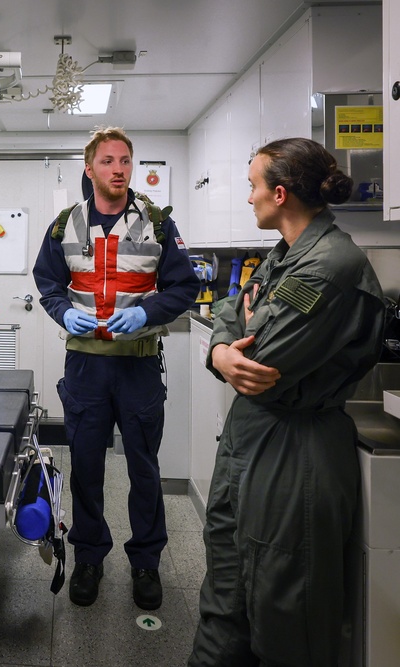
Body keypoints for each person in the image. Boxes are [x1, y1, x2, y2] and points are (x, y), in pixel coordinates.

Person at [188, 138, 385, 666]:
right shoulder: (285, 256)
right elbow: (232, 307)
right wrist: (224, 346)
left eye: (253, 186)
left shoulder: (330, 265)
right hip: (251, 443)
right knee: (225, 593)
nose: (248, 198)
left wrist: (233, 342)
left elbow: (266, 360)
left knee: (283, 609)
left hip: (294, 453)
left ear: (279, 193)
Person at [33, 126, 198, 610]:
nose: (119, 169)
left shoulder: (158, 224)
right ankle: (89, 556)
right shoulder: (65, 225)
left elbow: (183, 288)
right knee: (85, 465)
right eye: (107, 161)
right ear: (90, 169)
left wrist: (148, 312)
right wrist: (64, 311)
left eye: (125, 160)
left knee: (144, 467)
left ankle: (146, 561)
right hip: (85, 366)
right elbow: (47, 283)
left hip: (139, 367)